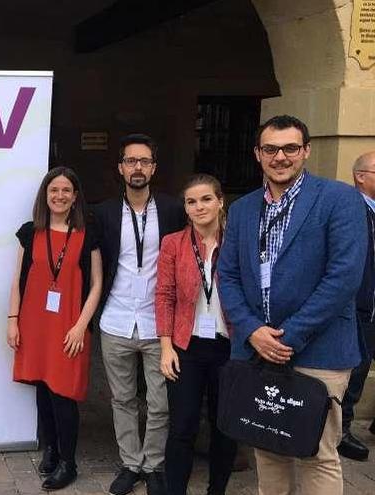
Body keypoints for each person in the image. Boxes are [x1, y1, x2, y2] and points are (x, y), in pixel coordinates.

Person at [217, 115, 366, 495]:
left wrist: (288, 336)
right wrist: (252, 331)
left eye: (290, 148)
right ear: (257, 154)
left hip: (320, 350)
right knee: (267, 446)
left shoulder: (339, 200)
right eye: (271, 149)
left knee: (318, 453)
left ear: (306, 151)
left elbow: (344, 277)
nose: (280, 157)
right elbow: (228, 276)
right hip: (257, 350)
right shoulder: (244, 208)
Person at [94, 134, 186, 495]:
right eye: (131, 161)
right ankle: (131, 464)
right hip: (115, 321)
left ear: (153, 168)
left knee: (160, 401)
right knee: (122, 399)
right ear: (120, 168)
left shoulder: (173, 209)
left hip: (157, 324)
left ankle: (155, 465)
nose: (137, 167)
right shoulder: (102, 212)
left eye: (144, 161)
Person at [7, 166, 103, 491]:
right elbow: (18, 280)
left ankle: (68, 462)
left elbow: (96, 285)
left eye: (66, 191)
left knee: (64, 393)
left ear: (75, 197)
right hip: (35, 323)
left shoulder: (87, 233)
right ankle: (50, 449)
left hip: (69, 326)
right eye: (53, 190)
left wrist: (81, 326)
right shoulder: (29, 232)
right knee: (43, 388)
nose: (59, 196)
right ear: (45, 196)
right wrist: (12, 320)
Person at [155, 174, 236, 495]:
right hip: (184, 347)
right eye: (191, 201)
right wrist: (165, 347)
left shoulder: (238, 241)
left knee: (225, 428)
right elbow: (164, 295)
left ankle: (217, 490)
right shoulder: (173, 243)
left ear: (220, 201)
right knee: (182, 428)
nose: (199, 206)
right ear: (185, 208)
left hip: (229, 347)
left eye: (205, 199)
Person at [336, 151, 375, 461]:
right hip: (360, 305)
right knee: (357, 369)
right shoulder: (351, 209)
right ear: (361, 176)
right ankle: (342, 430)